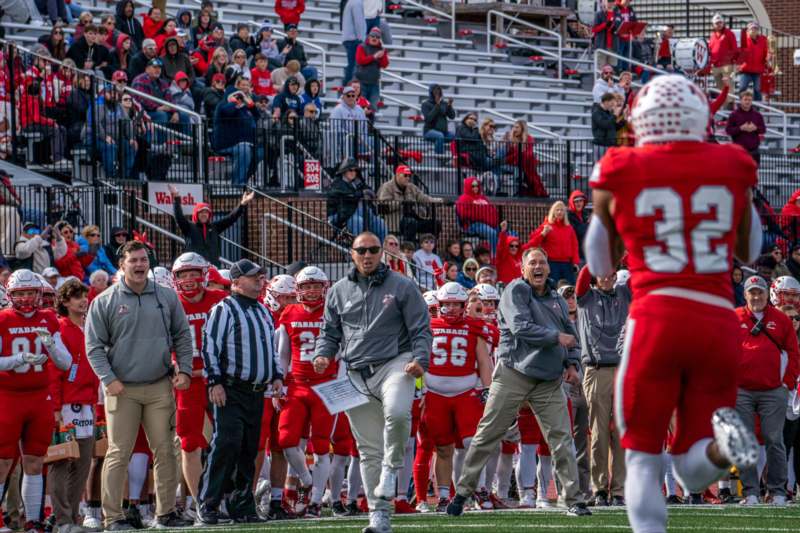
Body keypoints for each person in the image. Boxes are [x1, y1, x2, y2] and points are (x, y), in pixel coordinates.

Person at [585, 74, 762, 533]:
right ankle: (725, 450)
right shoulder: (731, 161)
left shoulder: (621, 165)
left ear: (641, 119)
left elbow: (598, 260)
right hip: (718, 319)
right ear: (700, 116)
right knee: (691, 466)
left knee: (642, 455)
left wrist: (621, 222)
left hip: (657, 314)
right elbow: (752, 250)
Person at [446, 247, 590, 517]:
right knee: (488, 433)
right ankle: (463, 492)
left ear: (548, 268)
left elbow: (572, 334)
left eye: (543, 262)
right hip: (515, 374)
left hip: (548, 379)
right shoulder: (516, 290)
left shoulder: (557, 300)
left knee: (561, 438)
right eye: (532, 262)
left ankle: (574, 499)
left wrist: (571, 363)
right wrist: (556, 338)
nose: (538, 266)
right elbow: (521, 326)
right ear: (523, 269)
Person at [313, 232, 432, 533]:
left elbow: (421, 328)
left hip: (396, 362)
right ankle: (379, 517)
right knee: (368, 450)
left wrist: (421, 360)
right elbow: (329, 333)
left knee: (397, 412)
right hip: (354, 371)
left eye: (373, 250)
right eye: (361, 250)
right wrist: (323, 355)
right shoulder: (337, 290)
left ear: (382, 253)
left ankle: (392, 471)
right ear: (351, 253)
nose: (367, 255)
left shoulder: (403, 285)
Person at [85, 240, 194, 531]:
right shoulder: (104, 301)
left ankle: (166, 512)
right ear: (121, 265)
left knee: (166, 451)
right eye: (133, 260)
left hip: (160, 385)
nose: (139, 265)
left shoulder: (167, 297)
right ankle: (113, 518)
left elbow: (182, 335)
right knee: (118, 452)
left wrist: (185, 370)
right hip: (123, 389)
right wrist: (109, 379)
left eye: (143, 259)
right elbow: (93, 346)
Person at [197, 259, 283, 524]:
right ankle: (208, 503)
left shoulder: (263, 312)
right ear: (236, 282)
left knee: (249, 448)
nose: (259, 280)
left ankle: (242, 505)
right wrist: (215, 381)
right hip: (231, 388)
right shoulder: (223, 309)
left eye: (260, 276)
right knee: (226, 443)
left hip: (256, 391)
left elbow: (271, 347)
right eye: (252, 277)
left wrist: (277, 375)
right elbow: (209, 346)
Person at [0, 270, 72, 533]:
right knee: (3, 462)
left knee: (34, 461)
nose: (26, 298)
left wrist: (51, 346)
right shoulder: (2, 319)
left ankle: (33, 521)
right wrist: (17, 360)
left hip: (39, 397)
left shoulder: (48, 318)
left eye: (30, 292)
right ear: (10, 295)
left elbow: (65, 362)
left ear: (39, 293)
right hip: (8, 397)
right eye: (20, 293)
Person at [276, 266, 345, 518]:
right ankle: (306, 481)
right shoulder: (289, 312)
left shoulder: (334, 311)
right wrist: (279, 383)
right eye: (306, 286)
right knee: (286, 440)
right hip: (297, 384)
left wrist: (339, 380)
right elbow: (283, 354)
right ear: (298, 289)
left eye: (316, 285)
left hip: (326, 384)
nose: (312, 290)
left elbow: (343, 351)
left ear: (324, 288)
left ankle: (315, 500)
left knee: (320, 445)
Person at [170, 253, 227, 519]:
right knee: (190, 443)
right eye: (183, 274)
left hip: (219, 380)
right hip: (188, 382)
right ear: (175, 278)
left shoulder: (220, 301)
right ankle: (200, 504)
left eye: (194, 273)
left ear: (204, 275)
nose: (189, 279)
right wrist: (178, 369)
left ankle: (225, 498)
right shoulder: (169, 304)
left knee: (228, 440)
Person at [735, 276, 799, 505]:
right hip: (741, 389)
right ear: (745, 295)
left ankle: (778, 492)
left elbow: (793, 351)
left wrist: (787, 384)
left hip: (773, 389)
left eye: (760, 292)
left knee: (775, 440)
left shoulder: (781, 319)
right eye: (752, 292)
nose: (756, 296)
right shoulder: (734, 318)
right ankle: (751, 492)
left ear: (767, 295)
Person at [574, 265, 630, 506]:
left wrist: (618, 250)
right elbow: (582, 279)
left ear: (616, 276)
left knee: (621, 433)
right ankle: (599, 488)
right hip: (596, 369)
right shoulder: (586, 297)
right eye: (602, 272)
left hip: (623, 370)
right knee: (597, 432)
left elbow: (639, 269)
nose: (606, 277)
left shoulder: (625, 294)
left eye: (611, 273)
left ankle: (618, 490)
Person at [49, 279, 98, 533]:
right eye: (77, 296)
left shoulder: (89, 327)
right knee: (63, 461)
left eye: (84, 295)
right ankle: (62, 519)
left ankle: (75, 516)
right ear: (65, 302)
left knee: (83, 462)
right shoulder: (60, 328)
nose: (83, 300)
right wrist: (56, 407)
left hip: (88, 404)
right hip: (67, 405)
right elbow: (55, 372)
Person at [169, 186, 254, 267]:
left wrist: (243, 204)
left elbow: (231, 218)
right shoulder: (189, 227)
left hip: (213, 267)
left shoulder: (214, 227)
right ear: (196, 214)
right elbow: (178, 216)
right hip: (195, 267)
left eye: (206, 212)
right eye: (201, 212)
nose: (204, 214)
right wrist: (176, 198)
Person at [376, 165, 442, 244]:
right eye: (405, 175)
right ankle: (408, 249)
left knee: (435, 224)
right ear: (397, 175)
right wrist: (402, 202)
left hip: (415, 219)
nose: (408, 178)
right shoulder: (387, 187)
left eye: (409, 176)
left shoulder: (412, 187)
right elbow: (383, 206)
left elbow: (425, 198)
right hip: (397, 221)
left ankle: (431, 249)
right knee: (411, 223)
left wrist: (441, 201)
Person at [212, 87, 263, 187]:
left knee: (261, 152)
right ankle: (238, 183)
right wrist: (233, 102)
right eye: (236, 97)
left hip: (246, 144)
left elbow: (257, 116)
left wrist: (252, 106)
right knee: (244, 150)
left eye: (240, 98)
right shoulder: (222, 106)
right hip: (226, 145)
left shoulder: (243, 109)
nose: (239, 100)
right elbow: (227, 112)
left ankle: (246, 179)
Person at [326, 157, 387, 241]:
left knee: (379, 222)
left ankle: (382, 250)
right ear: (344, 171)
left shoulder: (358, 183)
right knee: (357, 221)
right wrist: (362, 194)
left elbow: (369, 191)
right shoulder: (337, 183)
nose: (353, 172)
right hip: (341, 215)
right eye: (350, 170)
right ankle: (357, 249)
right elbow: (346, 195)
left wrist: (369, 194)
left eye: (355, 170)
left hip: (361, 213)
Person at [525, 201, 580, 285]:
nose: (559, 212)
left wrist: (575, 262)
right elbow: (533, 242)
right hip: (552, 263)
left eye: (562, 210)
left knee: (569, 288)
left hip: (567, 264)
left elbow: (574, 246)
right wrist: (543, 233)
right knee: (553, 287)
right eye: (557, 210)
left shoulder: (569, 228)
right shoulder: (546, 226)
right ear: (553, 212)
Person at [455, 177, 499, 252]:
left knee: (508, 233)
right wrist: (482, 214)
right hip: (472, 225)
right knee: (492, 233)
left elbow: (493, 211)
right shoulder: (463, 199)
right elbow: (464, 214)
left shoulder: (483, 197)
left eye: (477, 185)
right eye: (473, 186)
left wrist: (483, 213)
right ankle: (494, 256)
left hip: (489, 223)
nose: (475, 188)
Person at [726, 91, 765, 166]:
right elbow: (728, 130)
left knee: (754, 174)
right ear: (741, 100)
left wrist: (755, 128)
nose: (747, 102)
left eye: (749, 100)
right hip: (738, 151)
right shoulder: (734, 115)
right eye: (745, 99)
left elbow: (763, 129)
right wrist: (741, 128)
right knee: (738, 174)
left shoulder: (757, 115)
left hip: (754, 151)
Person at [355, 27, 388, 112]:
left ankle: (370, 125)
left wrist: (383, 55)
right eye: (373, 36)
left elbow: (384, 65)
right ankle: (360, 125)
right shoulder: (361, 47)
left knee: (372, 108)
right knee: (361, 107)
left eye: (377, 37)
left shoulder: (381, 50)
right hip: (361, 82)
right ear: (369, 36)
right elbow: (360, 60)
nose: (374, 38)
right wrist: (374, 57)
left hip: (374, 84)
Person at [709, 13, 738, 105]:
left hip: (727, 65)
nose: (719, 24)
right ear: (713, 24)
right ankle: (724, 112)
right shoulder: (712, 35)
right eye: (717, 23)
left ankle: (730, 111)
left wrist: (731, 61)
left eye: (720, 22)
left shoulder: (729, 33)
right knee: (720, 90)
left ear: (723, 23)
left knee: (728, 88)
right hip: (716, 66)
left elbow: (734, 49)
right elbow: (711, 49)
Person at [737, 22, 769, 101]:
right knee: (742, 88)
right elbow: (738, 52)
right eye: (752, 29)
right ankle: (740, 106)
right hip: (745, 69)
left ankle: (756, 109)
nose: (754, 30)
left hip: (758, 69)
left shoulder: (763, 40)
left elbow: (766, 51)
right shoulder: (743, 39)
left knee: (757, 89)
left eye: (756, 29)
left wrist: (768, 57)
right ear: (748, 30)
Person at [421, 84, 455, 154]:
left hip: (444, 133)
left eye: (439, 90)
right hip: (429, 132)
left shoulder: (444, 103)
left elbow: (452, 116)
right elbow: (428, 119)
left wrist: (449, 106)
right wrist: (437, 105)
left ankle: (456, 156)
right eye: (435, 91)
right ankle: (439, 156)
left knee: (454, 136)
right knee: (439, 136)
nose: (438, 93)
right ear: (431, 92)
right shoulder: (426, 104)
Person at [592, 93, 622, 161]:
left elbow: (614, 127)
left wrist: (625, 119)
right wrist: (614, 115)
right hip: (601, 145)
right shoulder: (596, 112)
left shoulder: (608, 112)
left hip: (609, 145)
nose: (613, 105)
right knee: (600, 166)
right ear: (606, 102)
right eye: (612, 103)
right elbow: (605, 125)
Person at [495, 221, 521, 286]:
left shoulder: (519, 257)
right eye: (511, 245)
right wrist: (503, 232)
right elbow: (501, 246)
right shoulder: (503, 256)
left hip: (517, 287)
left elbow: (530, 245)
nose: (514, 248)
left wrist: (541, 234)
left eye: (516, 246)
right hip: (505, 287)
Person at [567, 191, 590, 261]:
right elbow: (577, 231)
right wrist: (588, 224)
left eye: (581, 201)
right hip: (576, 252)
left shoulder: (585, 213)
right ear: (572, 203)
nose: (579, 203)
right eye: (576, 201)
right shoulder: (568, 215)